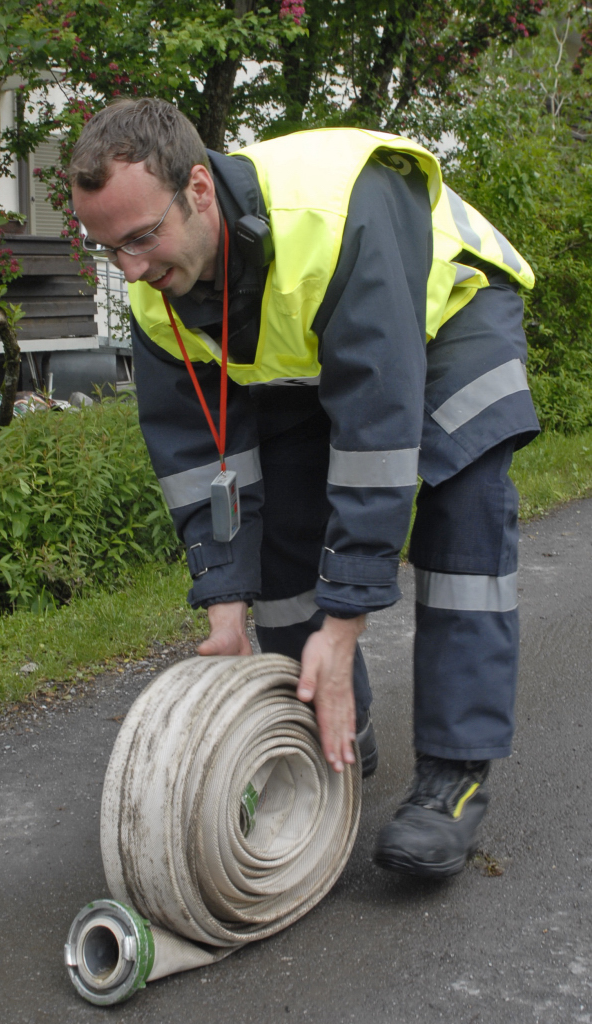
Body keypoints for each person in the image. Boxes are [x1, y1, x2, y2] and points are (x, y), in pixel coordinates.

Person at [70, 98, 540, 879]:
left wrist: (347, 618)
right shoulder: (157, 290)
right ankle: (331, 730)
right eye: (108, 248)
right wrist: (225, 605)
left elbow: (376, 432)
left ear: (197, 190)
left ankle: (451, 778)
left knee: (461, 520)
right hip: (324, 349)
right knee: (284, 528)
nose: (131, 271)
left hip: (453, 314)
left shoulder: (337, 214)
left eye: (142, 238)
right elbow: (201, 457)